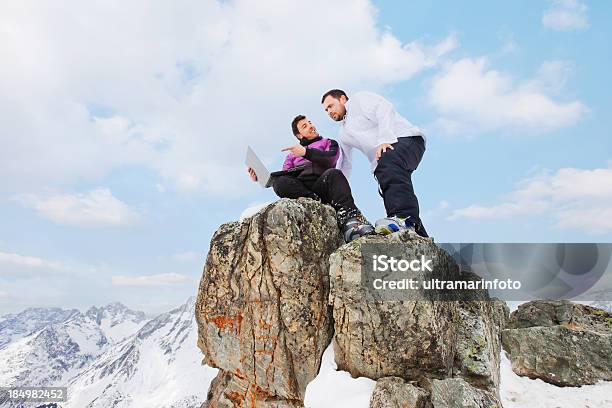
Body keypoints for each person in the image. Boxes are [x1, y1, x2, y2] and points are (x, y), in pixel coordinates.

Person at [247, 115, 374, 243]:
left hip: (323, 184)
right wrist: (261, 178)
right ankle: (314, 201)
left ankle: (350, 220)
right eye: (305, 126)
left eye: (310, 122)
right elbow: (285, 176)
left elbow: (330, 159)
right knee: (279, 182)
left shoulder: (329, 142)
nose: (310, 126)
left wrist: (305, 153)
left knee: (334, 173)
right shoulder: (292, 155)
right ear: (299, 135)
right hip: (303, 190)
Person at [321, 89, 429, 237]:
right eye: (326, 110)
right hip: (385, 163)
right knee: (390, 191)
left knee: (388, 164)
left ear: (343, 99)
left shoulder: (359, 101)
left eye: (331, 106)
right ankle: (417, 235)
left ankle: (404, 219)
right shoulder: (343, 134)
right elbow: (345, 164)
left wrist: (385, 138)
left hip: (405, 139)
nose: (329, 112)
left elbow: (384, 108)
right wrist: (335, 189)